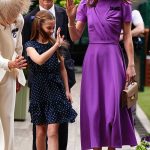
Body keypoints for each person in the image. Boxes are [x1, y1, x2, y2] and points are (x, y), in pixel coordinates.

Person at [66, 0, 137, 150]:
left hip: (113, 59)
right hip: (93, 61)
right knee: (94, 109)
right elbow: (75, 36)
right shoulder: (86, 4)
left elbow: (128, 36)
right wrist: (71, 19)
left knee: (113, 109)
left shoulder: (123, 4)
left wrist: (131, 64)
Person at [22, 1, 75, 149]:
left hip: (55, 90)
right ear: (39, 27)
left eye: (53, 27)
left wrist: (67, 90)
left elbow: (62, 68)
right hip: (39, 90)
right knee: (40, 131)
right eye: (49, 28)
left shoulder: (56, 44)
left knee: (53, 131)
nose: (52, 30)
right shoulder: (30, 46)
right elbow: (39, 60)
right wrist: (56, 46)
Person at [0, 0, 30, 150]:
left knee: (8, 118)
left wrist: (18, 74)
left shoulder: (19, 20)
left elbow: (18, 48)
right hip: (4, 66)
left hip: (9, 75)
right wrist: (7, 64)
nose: (15, 17)